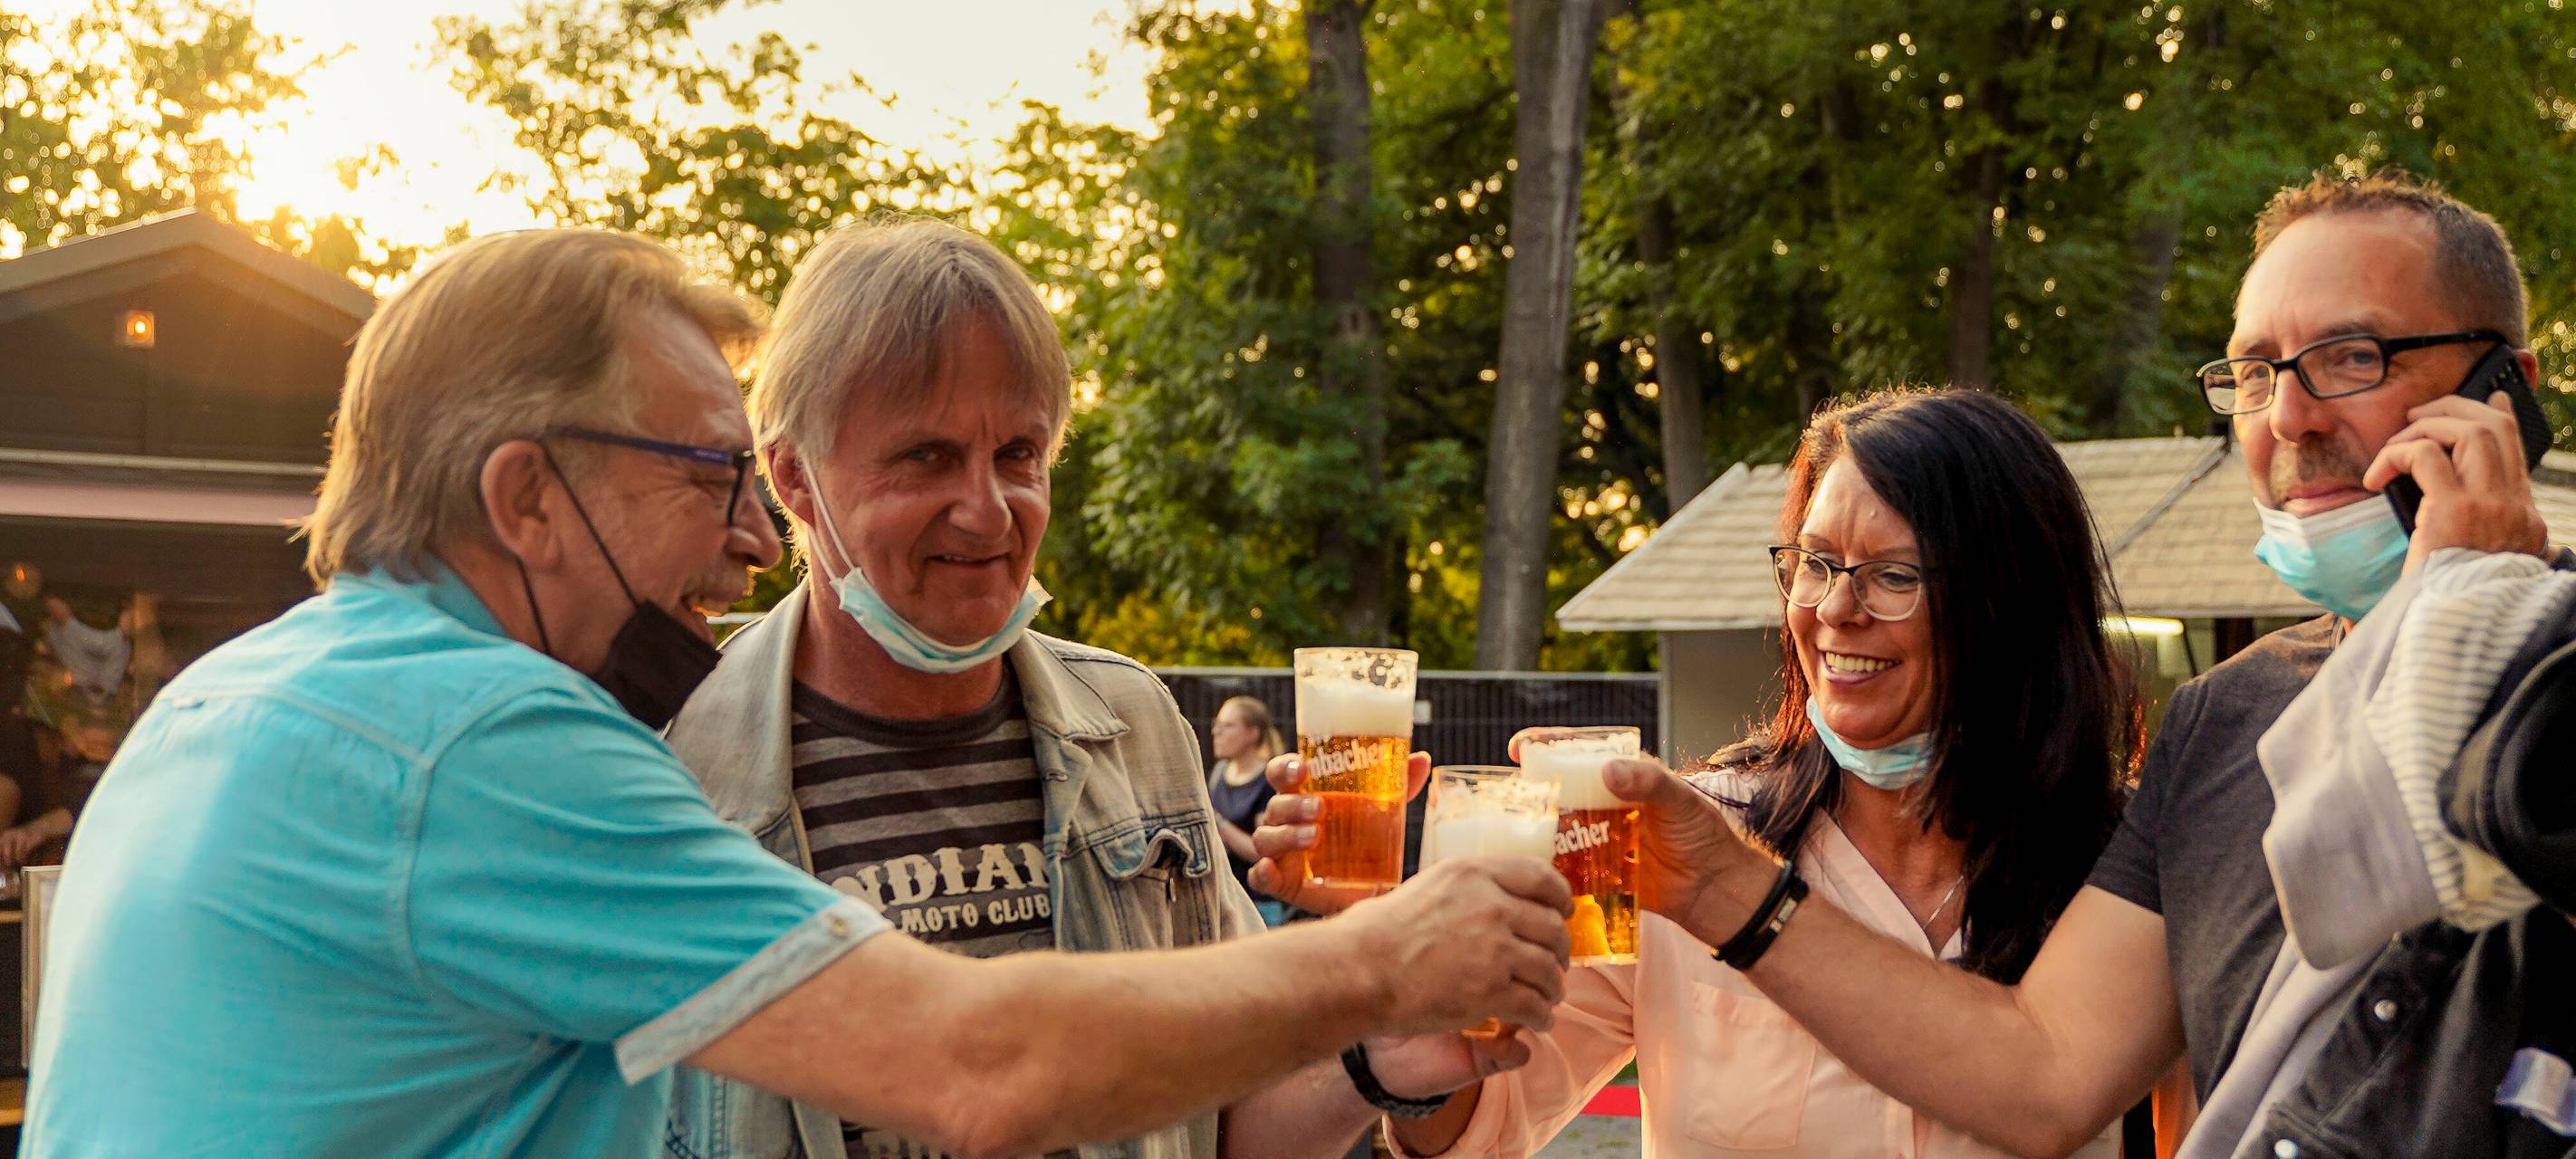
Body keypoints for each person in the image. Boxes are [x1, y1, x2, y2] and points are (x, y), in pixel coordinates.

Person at [25, 228, 1576, 1158]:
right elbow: (978, 1067)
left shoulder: (240, 698)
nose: (747, 541)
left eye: (1021, 454)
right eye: (713, 475)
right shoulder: (497, 746)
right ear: (527, 498)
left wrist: (1379, 1055)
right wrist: (1382, 958)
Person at [1408, 169, 2568, 1158]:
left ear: (2508, 383)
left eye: (2350, 356)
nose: (2290, 414)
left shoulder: (2103, 831)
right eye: (2255, 372)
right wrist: (1404, 1008)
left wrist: (2472, 606)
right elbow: (2047, 1071)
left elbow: (2389, 877)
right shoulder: (2223, 722)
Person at [664, 219, 1557, 1159]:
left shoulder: (1132, 721)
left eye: (1018, 454)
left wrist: (1373, 1065)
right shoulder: (672, 758)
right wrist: (1362, 965)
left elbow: (1218, 1124)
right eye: (925, 456)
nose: (989, 507)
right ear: (794, 475)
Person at [1255, 388, 2138, 1156]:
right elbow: (1487, 1118)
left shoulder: (2133, 872)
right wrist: (1397, 989)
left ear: (2012, 598)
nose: (1834, 608)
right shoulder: (1681, 837)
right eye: (1816, 562)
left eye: (1893, 574)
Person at [1208, 695, 1290, 926]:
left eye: (1228, 726)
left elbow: (1262, 850)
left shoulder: (1267, 781)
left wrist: (1219, 823)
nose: (1217, 732)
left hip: (1258, 904)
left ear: (1252, 734)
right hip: (1224, 898)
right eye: (1217, 725)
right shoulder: (1220, 772)